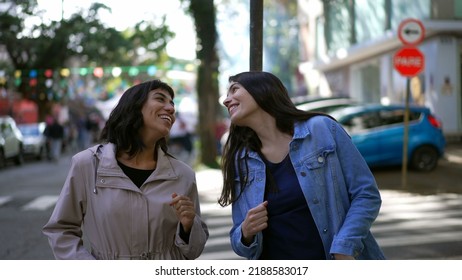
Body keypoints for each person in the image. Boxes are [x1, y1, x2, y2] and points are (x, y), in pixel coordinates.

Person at [218, 71, 385, 260]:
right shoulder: (241, 159)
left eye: (234, 90)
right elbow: (240, 243)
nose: (226, 100)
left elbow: (366, 194)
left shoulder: (322, 129)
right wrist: (246, 233)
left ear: (262, 90)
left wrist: (344, 246)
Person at [43, 80, 209, 260]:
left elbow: (193, 252)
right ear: (134, 107)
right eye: (160, 99)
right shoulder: (87, 164)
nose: (170, 108)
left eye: (172, 103)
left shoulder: (183, 174)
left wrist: (188, 228)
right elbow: (61, 230)